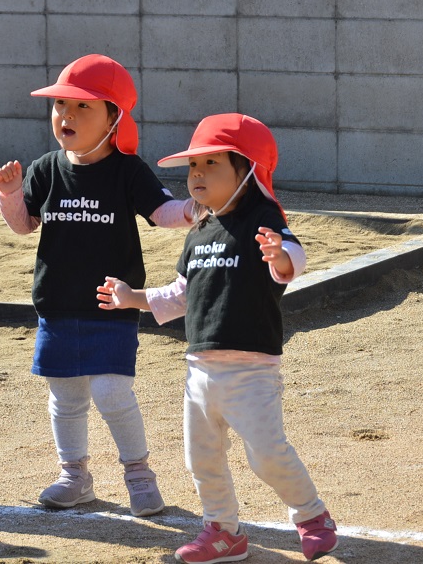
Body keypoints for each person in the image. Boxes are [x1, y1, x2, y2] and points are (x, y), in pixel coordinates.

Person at [96, 113, 338, 563]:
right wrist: (133, 298)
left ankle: (312, 516)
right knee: (201, 457)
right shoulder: (199, 231)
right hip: (200, 368)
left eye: (211, 164)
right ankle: (223, 531)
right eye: (193, 166)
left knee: (266, 454)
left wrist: (279, 256)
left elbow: (293, 260)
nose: (197, 174)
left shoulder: (262, 218)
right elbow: (182, 294)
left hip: (252, 369)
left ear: (247, 170)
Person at [0, 54, 196, 516]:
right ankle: (74, 476)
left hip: (112, 304)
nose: (67, 114)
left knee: (111, 392)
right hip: (57, 305)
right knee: (65, 396)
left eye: (83, 106)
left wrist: (192, 210)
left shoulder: (127, 169)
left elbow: (161, 211)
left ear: (113, 118)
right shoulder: (46, 168)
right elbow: (24, 225)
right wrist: (9, 193)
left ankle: (139, 475)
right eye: (61, 105)